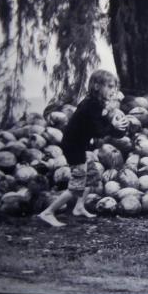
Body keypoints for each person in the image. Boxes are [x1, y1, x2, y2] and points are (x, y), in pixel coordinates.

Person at [38, 70, 129, 227]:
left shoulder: (96, 103)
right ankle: (47, 212)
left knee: (93, 176)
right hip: (73, 147)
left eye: (114, 87)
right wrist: (113, 126)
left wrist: (115, 128)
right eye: (109, 86)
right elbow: (99, 131)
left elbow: (101, 126)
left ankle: (79, 207)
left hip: (79, 145)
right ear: (96, 86)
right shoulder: (90, 105)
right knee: (76, 186)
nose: (113, 91)